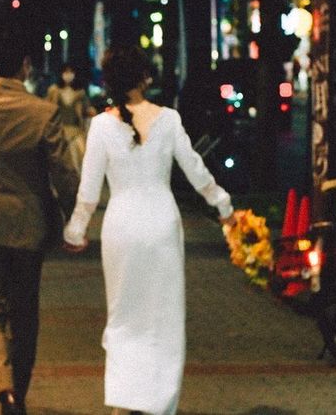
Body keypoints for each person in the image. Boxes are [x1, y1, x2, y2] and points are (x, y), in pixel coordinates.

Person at [63, 46, 235, 415]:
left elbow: (89, 191)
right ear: (145, 78)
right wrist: (223, 205)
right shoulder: (169, 119)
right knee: (164, 316)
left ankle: (124, 402)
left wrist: (76, 230)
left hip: (121, 226)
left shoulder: (101, 127)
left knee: (124, 315)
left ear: (108, 82)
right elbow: (195, 169)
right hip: (161, 222)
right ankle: (160, 402)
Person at [0, 31, 79, 415]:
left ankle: (4, 390)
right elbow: (63, 172)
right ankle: (19, 396)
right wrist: (76, 217)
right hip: (30, 224)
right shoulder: (43, 112)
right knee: (25, 312)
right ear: (26, 65)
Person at [45, 63, 96, 172]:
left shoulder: (80, 93)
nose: (68, 75)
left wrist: (90, 112)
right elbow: (47, 109)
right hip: (58, 132)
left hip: (76, 133)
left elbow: (87, 110)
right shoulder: (54, 91)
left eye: (71, 72)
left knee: (78, 164)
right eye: (65, 72)